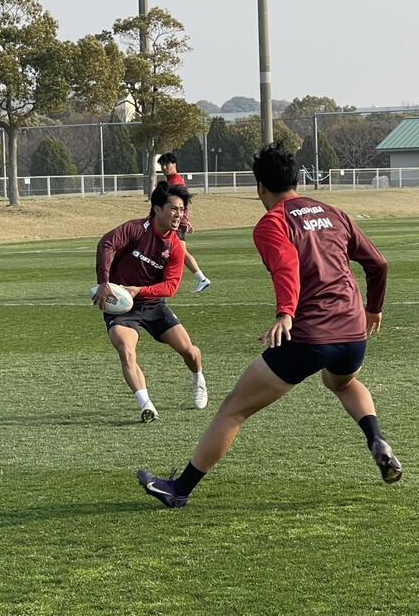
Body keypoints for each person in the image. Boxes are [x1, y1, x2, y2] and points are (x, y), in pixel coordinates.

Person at [138, 144, 400, 506]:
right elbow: (378, 264)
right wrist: (374, 309)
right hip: (353, 332)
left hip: (309, 334)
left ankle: (179, 490)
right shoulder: (332, 212)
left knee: (234, 409)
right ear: (296, 179)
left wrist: (285, 313)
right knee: (341, 382)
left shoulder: (272, 223)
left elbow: (286, 265)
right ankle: (375, 438)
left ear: (260, 187)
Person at [95, 181, 208, 422]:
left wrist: (139, 290)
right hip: (123, 307)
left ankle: (199, 377)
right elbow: (107, 244)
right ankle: (146, 405)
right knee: (126, 351)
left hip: (154, 304)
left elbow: (171, 286)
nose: (179, 215)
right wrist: (104, 282)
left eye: (182, 210)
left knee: (189, 352)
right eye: (174, 209)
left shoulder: (175, 246)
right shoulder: (136, 229)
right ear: (157, 209)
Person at [157, 152, 212, 293]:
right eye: (162, 165)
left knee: (177, 251)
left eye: (166, 164)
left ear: (174, 164)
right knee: (177, 251)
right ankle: (201, 279)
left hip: (176, 222)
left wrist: (184, 220)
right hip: (177, 221)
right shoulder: (172, 181)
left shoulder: (175, 182)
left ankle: (198, 279)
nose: (164, 167)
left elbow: (183, 202)